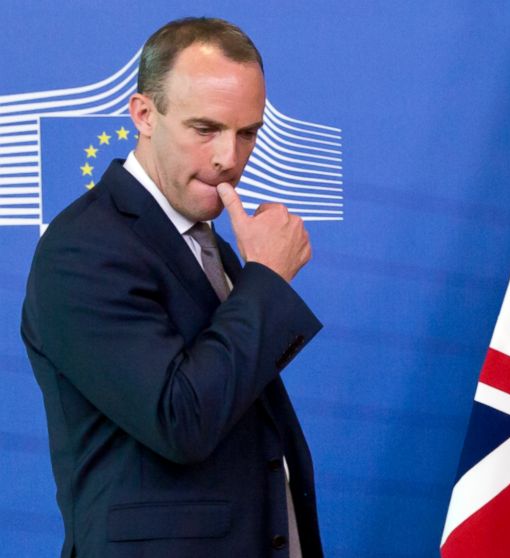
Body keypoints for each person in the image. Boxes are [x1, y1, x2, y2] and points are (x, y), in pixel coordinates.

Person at [21, 18, 323, 557]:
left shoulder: (204, 240)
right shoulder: (84, 248)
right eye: (205, 129)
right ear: (143, 115)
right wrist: (268, 281)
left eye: (247, 132)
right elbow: (179, 418)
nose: (229, 158)